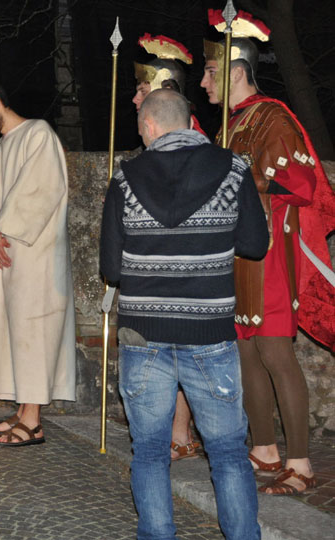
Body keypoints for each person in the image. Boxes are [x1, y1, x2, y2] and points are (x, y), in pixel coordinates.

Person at [101, 89, 267, 539]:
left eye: (141, 128)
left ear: (151, 125)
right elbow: (255, 244)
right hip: (209, 330)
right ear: (191, 123)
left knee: (150, 451)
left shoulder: (125, 178)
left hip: (141, 333)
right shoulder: (233, 169)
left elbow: (110, 269)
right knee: (228, 452)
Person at [202, 28, 335, 495]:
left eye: (212, 72)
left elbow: (302, 184)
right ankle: (264, 448)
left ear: (238, 72)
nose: (204, 82)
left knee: (276, 352)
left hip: (271, 255)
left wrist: (243, 176)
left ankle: (300, 463)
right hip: (238, 256)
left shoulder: (273, 117)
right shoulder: (230, 125)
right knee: (246, 352)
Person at [0, 76, 76, 447]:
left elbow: (40, 190)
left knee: (35, 331)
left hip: (38, 254)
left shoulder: (39, 134)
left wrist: (1, 231)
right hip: (10, 254)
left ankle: (33, 422)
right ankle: (23, 409)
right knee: (15, 332)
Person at [133, 33, 204, 461]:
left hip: (186, 271)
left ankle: (181, 432)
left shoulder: (194, 143)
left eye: (142, 90)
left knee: (182, 345)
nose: (134, 98)